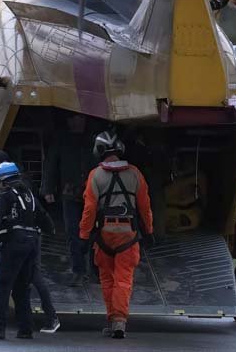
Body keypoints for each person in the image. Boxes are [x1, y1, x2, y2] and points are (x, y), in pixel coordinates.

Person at [79, 130, 153, 339]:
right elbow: (145, 207)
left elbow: (89, 210)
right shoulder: (135, 174)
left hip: (104, 236)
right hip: (128, 236)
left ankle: (112, 319)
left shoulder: (95, 175)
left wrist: (84, 236)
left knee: (107, 280)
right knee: (123, 279)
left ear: (99, 151)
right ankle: (119, 321)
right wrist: (149, 231)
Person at [0, 162, 54, 340]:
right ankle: (25, 329)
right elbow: (44, 217)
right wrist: (51, 230)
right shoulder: (29, 195)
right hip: (32, 245)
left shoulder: (6, 195)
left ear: (2, 180)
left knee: (2, 284)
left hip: (15, 245)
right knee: (21, 287)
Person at [42, 114, 95, 286]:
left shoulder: (92, 139)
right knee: (73, 232)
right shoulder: (62, 140)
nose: (77, 121)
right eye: (73, 118)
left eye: (80, 117)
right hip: (70, 193)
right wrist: (48, 188)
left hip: (92, 193)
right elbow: (51, 164)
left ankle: (93, 270)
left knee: (92, 233)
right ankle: (78, 270)